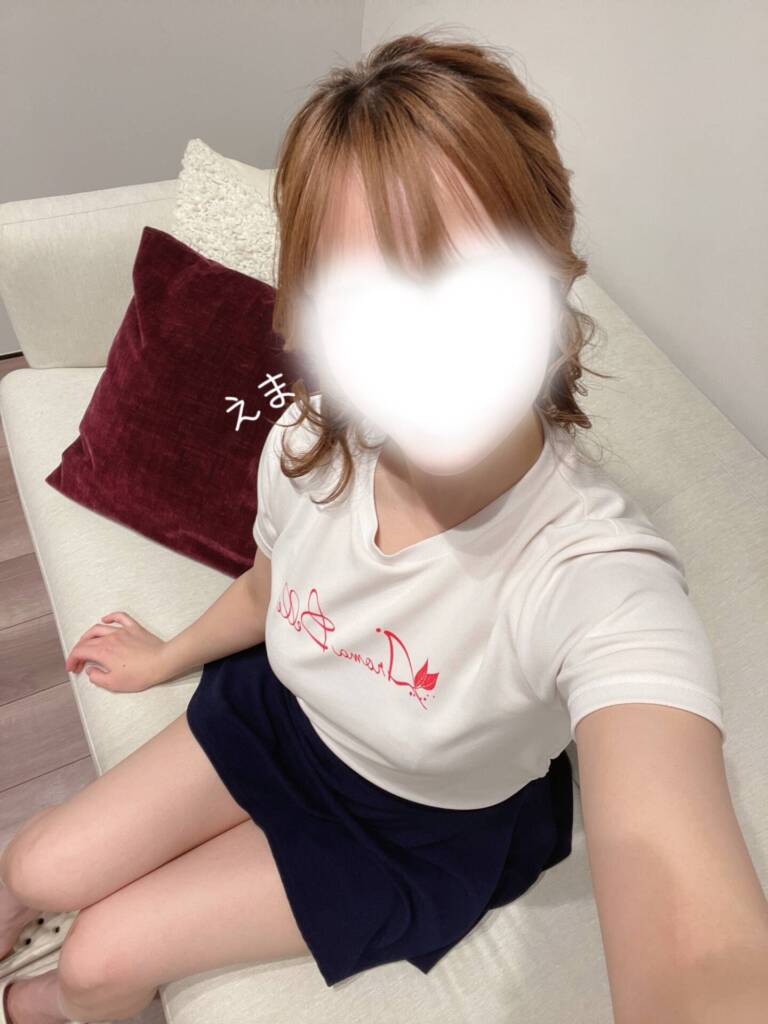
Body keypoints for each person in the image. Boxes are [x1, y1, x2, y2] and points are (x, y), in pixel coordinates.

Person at [2, 30, 767, 1024]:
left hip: (414, 826)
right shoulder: (308, 441)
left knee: (99, 962)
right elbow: (273, 581)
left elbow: (700, 953)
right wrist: (168, 654)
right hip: (284, 710)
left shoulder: (594, 575)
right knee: (36, 863)